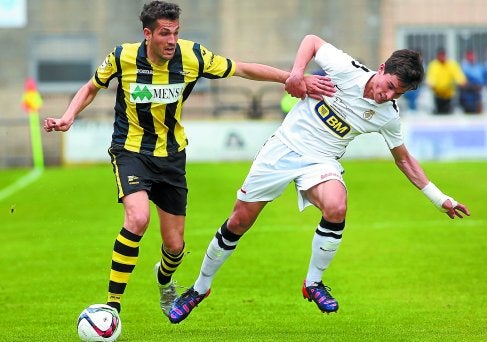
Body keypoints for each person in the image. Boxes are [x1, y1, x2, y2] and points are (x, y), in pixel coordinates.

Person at [43, 1, 334, 318]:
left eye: (176, 33)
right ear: (148, 33)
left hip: (171, 157)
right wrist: (69, 116)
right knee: (138, 219)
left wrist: (291, 78)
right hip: (130, 151)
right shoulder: (121, 57)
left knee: (176, 247)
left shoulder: (193, 56)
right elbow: (91, 87)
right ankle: (111, 306)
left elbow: (242, 68)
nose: (171, 41)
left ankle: (164, 280)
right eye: (165, 34)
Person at [167, 34, 471, 324]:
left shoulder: (388, 115)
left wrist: (439, 197)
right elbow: (311, 40)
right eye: (389, 86)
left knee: (337, 205)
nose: (388, 96)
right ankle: (199, 288)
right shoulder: (345, 70)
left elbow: (403, 159)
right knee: (238, 222)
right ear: (381, 69)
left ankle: (313, 282)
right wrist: (297, 75)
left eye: (398, 94)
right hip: (283, 149)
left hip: (320, 161)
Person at [426, 47, 467, 114]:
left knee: (449, 114)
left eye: (443, 55)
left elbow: (459, 77)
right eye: (440, 55)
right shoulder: (433, 65)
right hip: (438, 96)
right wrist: (430, 84)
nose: (442, 57)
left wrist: (461, 82)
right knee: (439, 114)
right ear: (437, 56)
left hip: (449, 96)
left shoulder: (452, 64)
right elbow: (430, 78)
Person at [459, 49, 484, 114]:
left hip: (477, 98)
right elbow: (463, 83)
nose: (471, 57)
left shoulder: (478, 66)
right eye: (469, 55)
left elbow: (480, 82)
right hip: (467, 99)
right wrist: (473, 85)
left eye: (472, 55)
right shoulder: (463, 66)